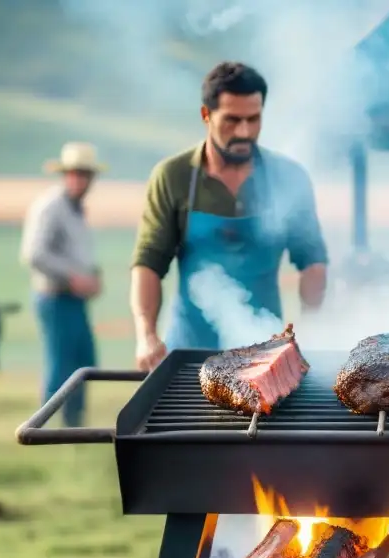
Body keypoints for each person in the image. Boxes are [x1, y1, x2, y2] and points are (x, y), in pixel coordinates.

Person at [129, 62, 328, 371]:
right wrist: (146, 335)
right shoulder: (174, 176)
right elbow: (148, 263)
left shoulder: (289, 177)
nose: (244, 132)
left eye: (254, 119)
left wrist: (312, 327)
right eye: (232, 120)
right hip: (189, 353)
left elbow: (312, 261)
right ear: (206, 116)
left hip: (264, 355)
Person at [19, 141, 104, 426]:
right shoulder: (50, 207)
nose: (80, 179)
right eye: (75, 173)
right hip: (55, 297)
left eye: (85, 174)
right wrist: (73, 278)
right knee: (61, 365)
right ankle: (46, 428)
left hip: (73, 299)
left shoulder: (76, 209)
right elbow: (34, 253)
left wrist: (92, 276)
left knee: (83, 361)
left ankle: (73, 425)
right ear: (65, 174)